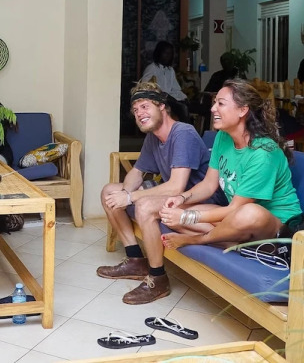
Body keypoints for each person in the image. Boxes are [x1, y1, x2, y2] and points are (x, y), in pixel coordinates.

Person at [97, 81, 226, 304]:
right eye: (135, 110)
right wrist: (123, 194)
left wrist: (130, 197)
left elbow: (176, 186)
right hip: (175, 199)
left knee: (145, 206)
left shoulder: (183, 133)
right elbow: (137, 172)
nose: (139, 113)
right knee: (109, 191)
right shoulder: (153, 137)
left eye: (145, 106)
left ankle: (157, 278)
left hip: (200, 200)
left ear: (162, 106)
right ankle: (136, 260)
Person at [160, 79, 302, 251]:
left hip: (276, 228)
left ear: (243, 110)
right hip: (235, 217)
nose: (213, 109)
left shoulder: (263, 153)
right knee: (171, 214)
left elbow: (238, 208)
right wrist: (181, 198)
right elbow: (208, 185)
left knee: (250, 212)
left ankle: (197, 239)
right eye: (214, 103)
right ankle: (234, 243)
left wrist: (187, 217)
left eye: (220, 103)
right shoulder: (223, 137)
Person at [141, 41, 190, 123]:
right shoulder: (152, 68)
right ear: (159, 53)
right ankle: (185, 130)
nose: (168, 56)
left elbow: (175, 89)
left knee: (197, 107)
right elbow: (145, 88)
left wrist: (184, 98)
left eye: (170, 54)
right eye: (165, 53)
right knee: (182, 108)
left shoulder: (170, 70)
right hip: (159, 101)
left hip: (171, 99)